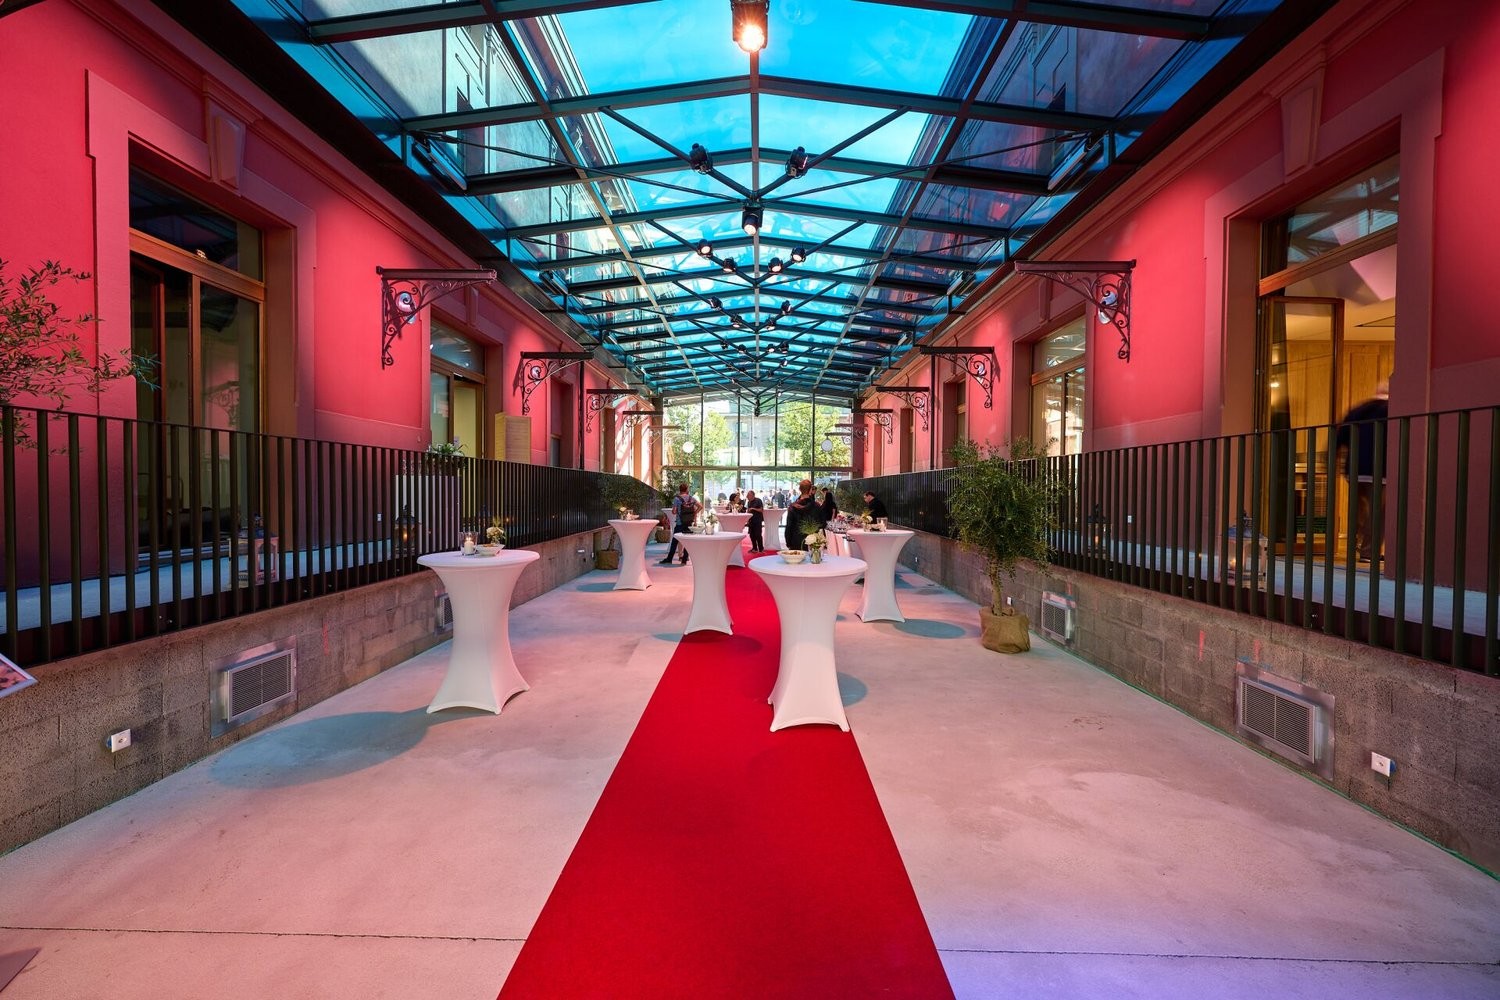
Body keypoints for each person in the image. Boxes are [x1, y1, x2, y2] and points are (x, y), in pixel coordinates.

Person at [1335, 374, 1391, 563]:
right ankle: (1368, 552)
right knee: (1378, 513)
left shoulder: (1358, 410)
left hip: (1354, 469)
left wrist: (1334, 459)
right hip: (1380, 469)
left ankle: (1354, 546)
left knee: (1359, 511)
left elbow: (1340, 436)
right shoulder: (1391, 410)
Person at [659, 483, 699, 565]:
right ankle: (684, 559)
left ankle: (669, 559)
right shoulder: (691, 498)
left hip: (680, 523)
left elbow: (674, 512)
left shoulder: (677, 499)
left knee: (674, 541)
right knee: (687, 541)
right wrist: (694, 513)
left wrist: (677, 511)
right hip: (689, 523)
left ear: (679, 489)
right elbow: (700, 506)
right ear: (687, 489)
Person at [784, 479, 823, 551]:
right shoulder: (816, 506)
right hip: (812, 542)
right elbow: (821, 524)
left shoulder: (792, 507)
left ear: (799, 489)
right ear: (810, 490)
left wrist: (788, 542)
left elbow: (789, 526)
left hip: (795, 541)